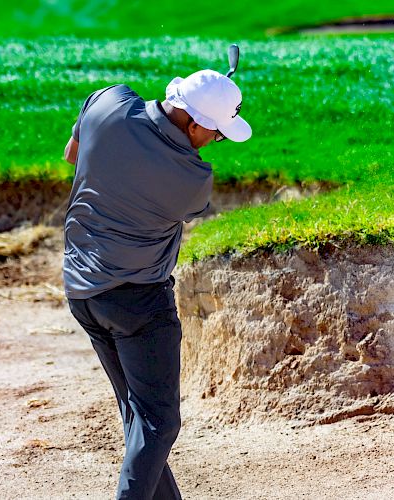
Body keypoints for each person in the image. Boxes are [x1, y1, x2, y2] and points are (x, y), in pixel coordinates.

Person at [63, 69, 251, 499]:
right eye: (217, 133)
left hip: (81, 289)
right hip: (139, 304)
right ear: (194, 123)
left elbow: (73, 154)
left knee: (138, 417)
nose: (214, 142)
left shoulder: (108, 102)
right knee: (159, 423)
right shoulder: (192, 179)